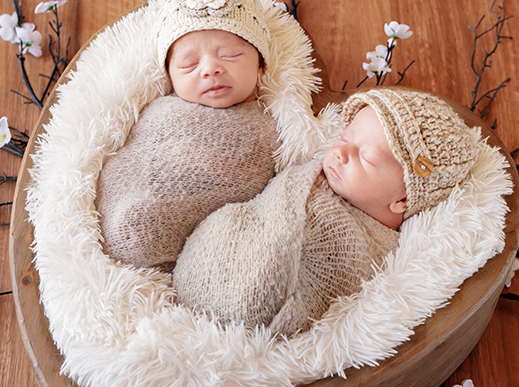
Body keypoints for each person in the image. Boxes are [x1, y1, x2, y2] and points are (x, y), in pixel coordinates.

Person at [172, 87, 480, 336]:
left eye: (366, 157)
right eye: (346, 138)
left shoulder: (374, 246)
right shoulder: (318, 174)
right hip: (222, 248)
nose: (341, 152)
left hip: (254, 301)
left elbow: (335, 287)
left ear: (402, 200)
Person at [96, 0, 280, 272]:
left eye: (230, 55)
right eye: (189, 64)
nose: (210, 69)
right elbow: (133, 159)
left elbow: (260, 183)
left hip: (210, 250)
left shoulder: (269, 124)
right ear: (170, 76)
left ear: (261, 64)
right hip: (127, 214)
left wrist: (211, 165)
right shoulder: (161, 110)